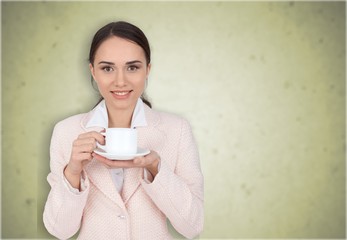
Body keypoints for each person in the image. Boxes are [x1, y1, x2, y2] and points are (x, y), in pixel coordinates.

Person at [43, 21, 204, 240]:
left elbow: (193, 226)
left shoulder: (177, 130)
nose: (120, 81)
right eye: (107, 68)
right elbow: (60, 231)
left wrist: (156, 168)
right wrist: (72, 173)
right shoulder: (66, 132)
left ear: (148, 69)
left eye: (132, 67)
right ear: (93, 70)